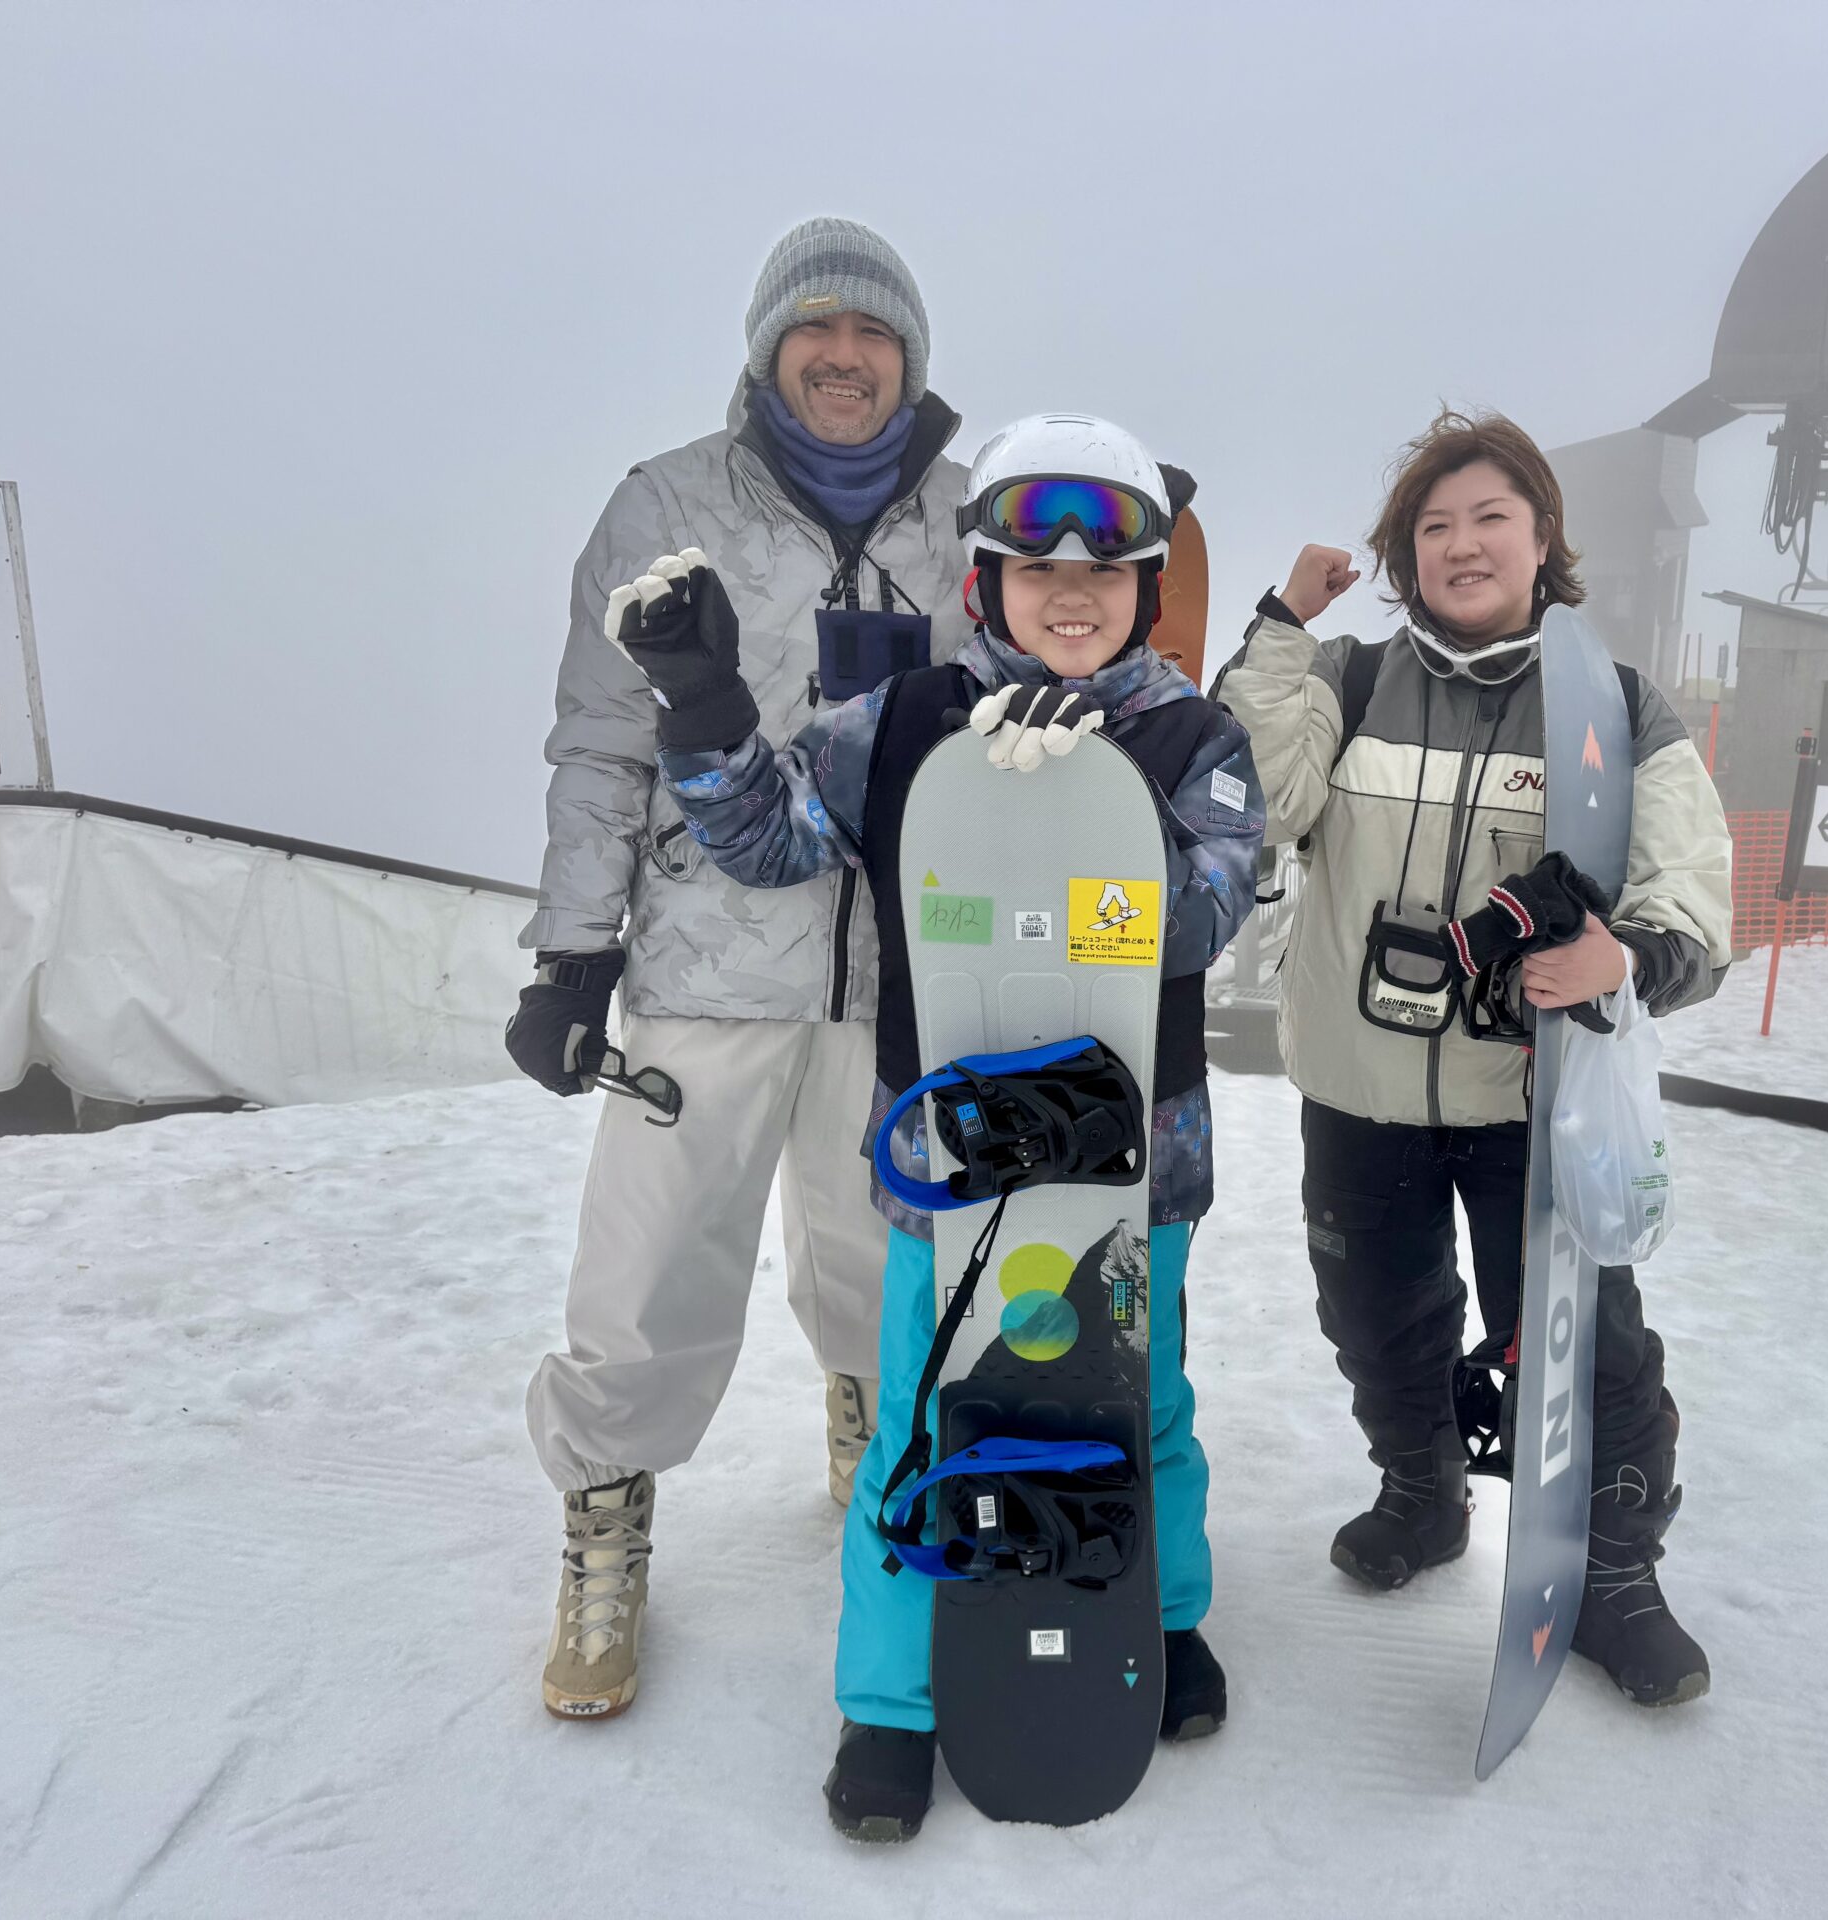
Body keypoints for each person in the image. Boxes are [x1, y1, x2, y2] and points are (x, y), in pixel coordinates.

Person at [615, 414, 1263, 1840]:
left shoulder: (1194, 740)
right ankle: (894, 1700)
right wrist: (702, 702)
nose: (1072, 593)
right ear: (985, 582)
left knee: (1141, 1403)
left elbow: (1202, 915)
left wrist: (1092, 802)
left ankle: (1165, 1616)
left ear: (1148, 588)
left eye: (1105, 571)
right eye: (1038, 569)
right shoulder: (905, 722)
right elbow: (768, 840)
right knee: (922, 1415)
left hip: (1133, 1168)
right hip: (950, 1168)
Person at [512, 217, 972, 1722]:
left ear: (910, 357)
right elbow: (602, 744)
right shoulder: (667, 505)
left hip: (898, 968)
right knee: (649, 1270)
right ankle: (603, 1526)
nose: (844, 358)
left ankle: (870, 1431)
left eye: (873, 333)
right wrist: (573, 954)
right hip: (707, 963)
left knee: (881, 1251)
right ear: (769, 350)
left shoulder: (971, 517)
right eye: (813, 330)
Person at [1217, 410, 1734, 1711]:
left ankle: (1615, 1576)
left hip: (1534, 1105)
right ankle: (1423, 1487)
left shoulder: (1615, 709)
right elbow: (1259, 805)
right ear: (1404, 557)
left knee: (1588, 1346)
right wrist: (1280, 630)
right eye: (1433, 526)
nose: (1462, 544)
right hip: (1361, 1091)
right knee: (1377, 1320)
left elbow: (1689, 896)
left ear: (1542, 537)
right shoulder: (1346, 682)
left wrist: (1626, 959)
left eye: (1490, 517)